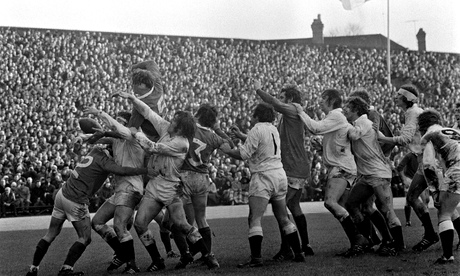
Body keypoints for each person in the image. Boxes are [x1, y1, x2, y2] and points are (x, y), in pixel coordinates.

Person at [116, 91, 220, 271]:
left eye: (173, 121)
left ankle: (207, 255)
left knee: (181, 224)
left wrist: (136, 133)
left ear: (179, 128)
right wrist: (133, 98)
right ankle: (158, 260)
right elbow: (149, 112)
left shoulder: (182, 143)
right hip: (156, 184)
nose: (169, 121)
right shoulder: (167, 129)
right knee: (140, 224)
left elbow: (154, 147)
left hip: (171, 187)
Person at [25, 142, 150, 276]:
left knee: (50, 234)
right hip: (75, 200)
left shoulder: (96, 149)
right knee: (85, 238)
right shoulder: (106, 162)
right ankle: (66, 269)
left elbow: (108, 140)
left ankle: (33, 268)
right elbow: (124, 171)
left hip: (62, 194)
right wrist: (145, 170)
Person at [224, 102, 305, 268]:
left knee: (255, 218)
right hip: (279, 175)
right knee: (283, 218)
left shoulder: (256, 128)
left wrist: (227, 150)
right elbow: (261, 143)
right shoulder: (273, 129)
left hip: (263, 176)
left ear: (256, 116)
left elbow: (244, 154)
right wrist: (241, 135)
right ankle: (299, 253)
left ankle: (256, 258)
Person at [295, 89, 368, 256]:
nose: (320, 102)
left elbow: (315, 128)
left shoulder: (336, 115)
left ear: (330, 100)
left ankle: (358, 238)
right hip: (344, 166)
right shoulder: (336, 117)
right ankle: (361, 240)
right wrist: (322, 148)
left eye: (322, 99)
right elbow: (339, 140)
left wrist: (300, 111)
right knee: (342, 206)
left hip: (341, 168)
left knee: (330, 202)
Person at [254, 80, 314, 259]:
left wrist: (258, 89)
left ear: (291, 99)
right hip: (294, 165)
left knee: (281, 206)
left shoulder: (294, 109)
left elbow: (275, 103)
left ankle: (287, 248)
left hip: (294, 166)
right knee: (293, 205)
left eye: (282, 97)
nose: (279, 100)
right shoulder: (286, 117)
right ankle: (306, 245)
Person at [377, 84, 439, 251]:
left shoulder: (412, 113)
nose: (396, 97)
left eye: (399, 95)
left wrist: (383, 138)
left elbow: (404, 139)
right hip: (425, 159)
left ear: (407, 98)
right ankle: (431, 234)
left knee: (436, 201)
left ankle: (432, 234)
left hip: (426, 160)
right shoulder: (413, 112)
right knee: (418, 198)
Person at [343, 96, 402, 256]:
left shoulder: (363, 122)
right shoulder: (361, 124)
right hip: (368, 174)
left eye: (347, 107)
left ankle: (391, 242)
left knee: (386, 209)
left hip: (378, 173)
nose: (344, 110)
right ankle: (371, 240)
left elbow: (354, 136)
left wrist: (380, 156)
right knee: (352, 204)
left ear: (356, 109)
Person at [178, 103, 234, 265]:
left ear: (199, 115)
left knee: (180, 220)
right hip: (202, 179)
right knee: (202, 219)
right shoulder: (213, 136)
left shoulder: (188, 129)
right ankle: (206, 254)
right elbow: (230, 146)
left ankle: (196, 253)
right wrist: (217, 129)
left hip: (185, 177)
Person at [418, 109, 460, 264]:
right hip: (457, 168)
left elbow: (428, 165)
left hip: (456, 170)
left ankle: (447, 256)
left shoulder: (428, 136)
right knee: (451, 209)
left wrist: (436, 191)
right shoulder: (451, 131)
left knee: (443, 212)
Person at [396, 152, 429, 227]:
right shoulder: (409, 155)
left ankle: (425, 220)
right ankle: (408, 221)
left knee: (426, 200)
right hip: (410, 179)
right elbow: (399, 167)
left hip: (420, 179)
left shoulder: (425, 154)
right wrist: (404, 179)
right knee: (409, 201)